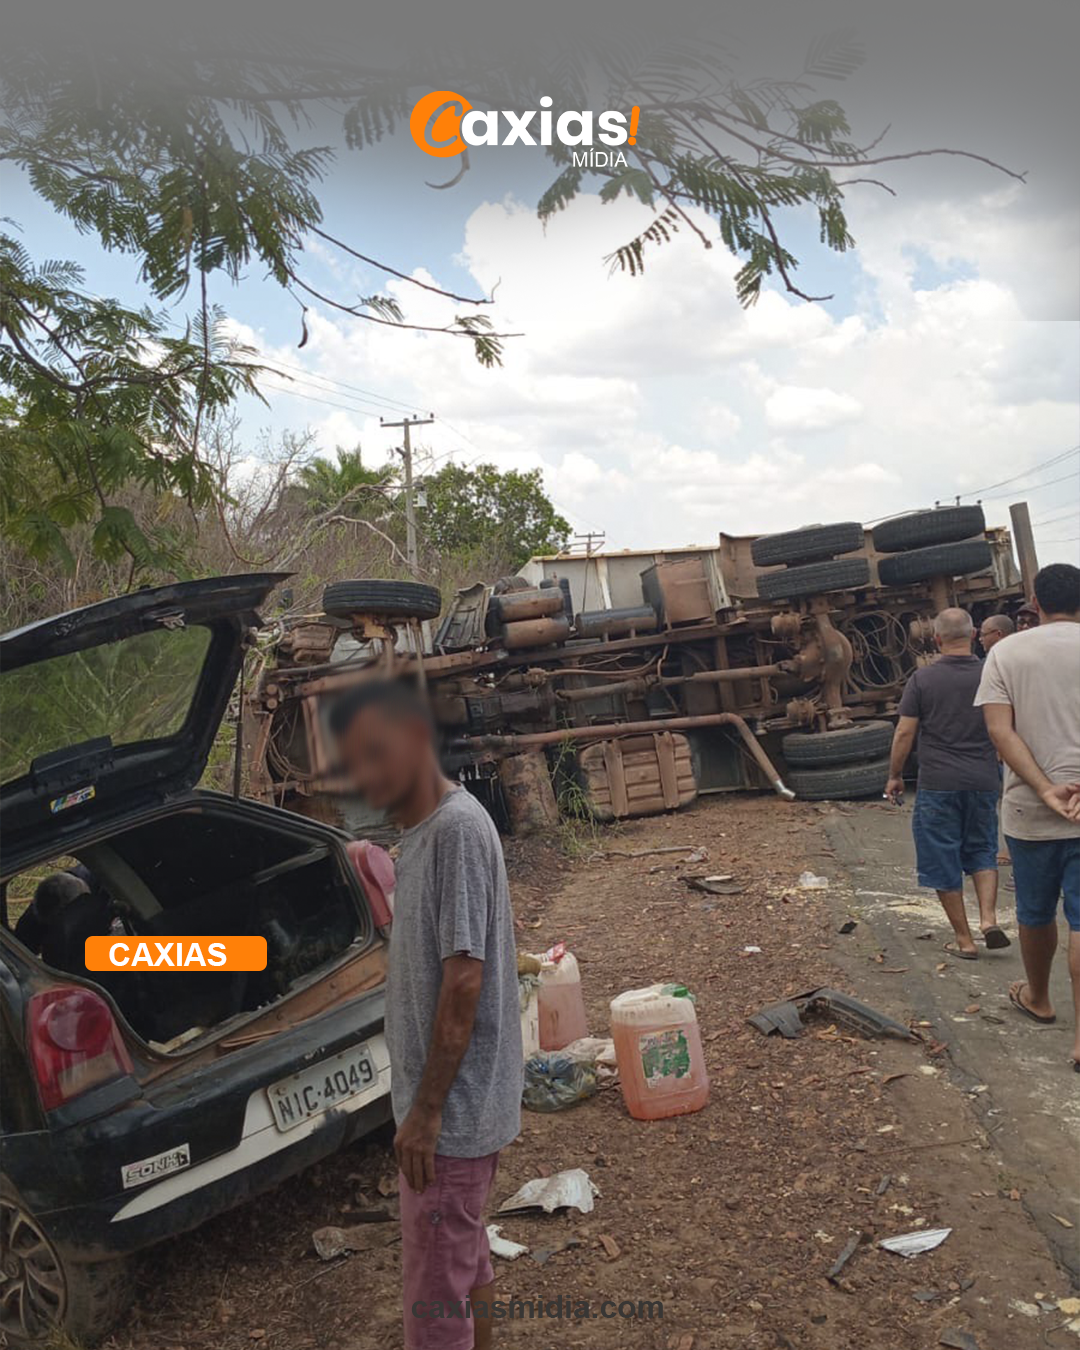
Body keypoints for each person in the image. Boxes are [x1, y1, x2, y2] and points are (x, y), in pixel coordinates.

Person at [330, 680, 522, 1350]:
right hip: (452, 1112)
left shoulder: (456, 833)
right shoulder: (425, 832)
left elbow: (463, 983)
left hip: (452, 1119)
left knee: (434, 1297)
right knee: (466, 1264)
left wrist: (427, 1114)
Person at [975, 562, 1080, 1070]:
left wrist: (1044, 788)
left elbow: (1000, 731)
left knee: (1036, 913)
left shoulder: (1005, 652)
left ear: (1033, 603)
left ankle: (1039, 997)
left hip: (1031, 809)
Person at [886, 608, 1009, 958]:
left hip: (939, 782)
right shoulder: (991, 674)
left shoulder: (922, 680)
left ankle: (965, 940)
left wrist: (895, 775)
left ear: (936, 639)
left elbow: (905, 732)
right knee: (983, 849)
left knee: (942, 856)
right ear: (973, 636)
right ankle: (988, 919)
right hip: (984, 779)